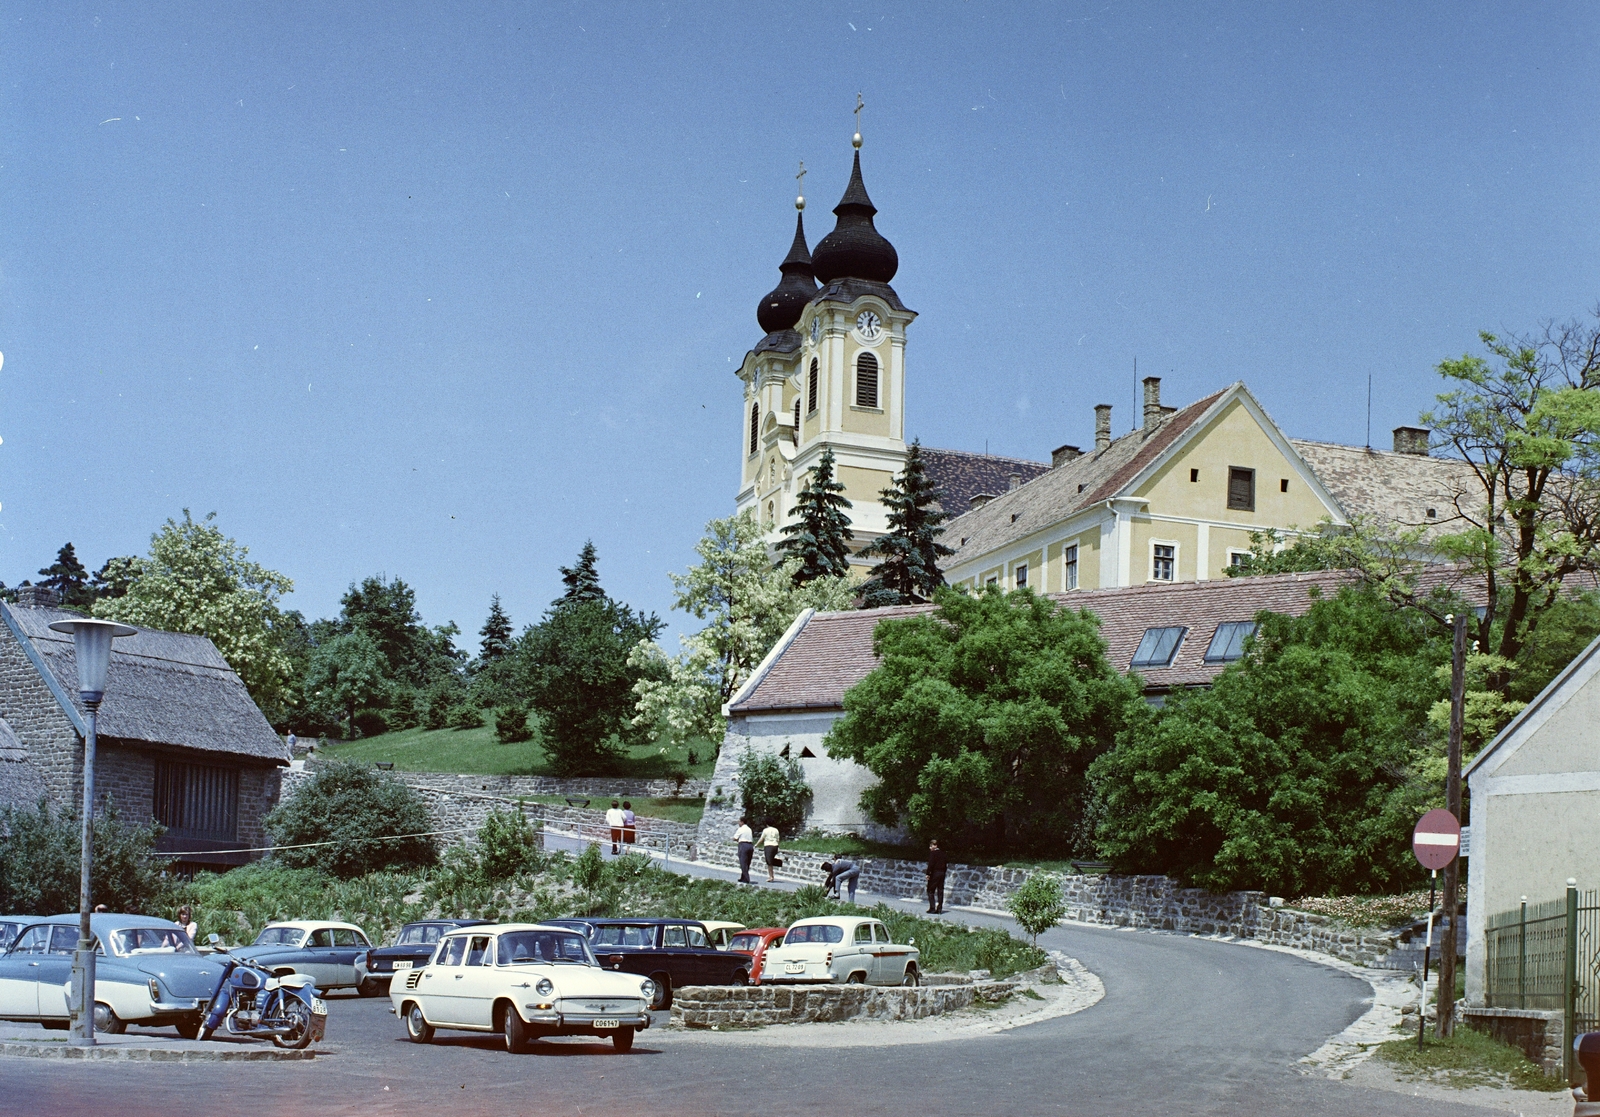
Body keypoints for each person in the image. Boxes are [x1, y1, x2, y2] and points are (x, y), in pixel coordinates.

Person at [925, 839, 947, 914]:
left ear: (935, 846)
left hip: (935, 873)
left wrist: (928, 874)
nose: (930, 848)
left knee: (930, 890)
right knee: (940, 890)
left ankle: (932, 908)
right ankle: (939, 908)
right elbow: (945, 865)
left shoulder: (933, 854)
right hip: (942, 873)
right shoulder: (943, 854)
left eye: (931, 846)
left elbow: (931, 864)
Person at [734, 816, 755, 883]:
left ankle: (746, 878)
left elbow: (735, 838)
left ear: (742, 822)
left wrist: (737, 840)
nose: (738, 823)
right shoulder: (749, 829)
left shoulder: (741, 829)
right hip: (750, 845)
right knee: (747, 862)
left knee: (743, 862)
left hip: (743, 845)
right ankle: (742, 877)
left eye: (739, 821)